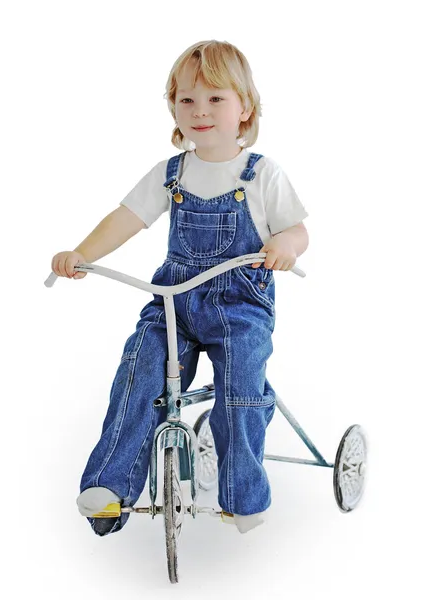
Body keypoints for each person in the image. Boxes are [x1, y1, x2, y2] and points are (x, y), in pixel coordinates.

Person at [50, 40, 309, 536]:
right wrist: (82, 253)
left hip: (240, 307)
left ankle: (242, 494)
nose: (200, 111)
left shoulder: (262, 175)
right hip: (173, 304)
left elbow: (298, 230)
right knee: (138, 374)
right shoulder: (171, 173)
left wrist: (284, 246)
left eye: (216, 99)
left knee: (240, 384)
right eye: (187, 100)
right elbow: (125, 219)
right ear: (173, 107)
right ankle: (109, 487)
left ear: (245, 108)